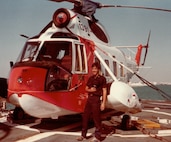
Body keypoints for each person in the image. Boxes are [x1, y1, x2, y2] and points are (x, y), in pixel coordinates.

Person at [77, 62, 107, 142]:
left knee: (96, 118)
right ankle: (83, 135)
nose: (93, 70)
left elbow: (104, 91)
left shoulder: (102, 79)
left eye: (95, 69)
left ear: (98, 69)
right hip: (89, 99)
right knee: (85, 117)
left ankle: (97, 137)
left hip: (96, 100)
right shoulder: (91, 78)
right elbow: (86, 88)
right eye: (93, 68)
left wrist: (103, 103)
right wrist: (91, 90)